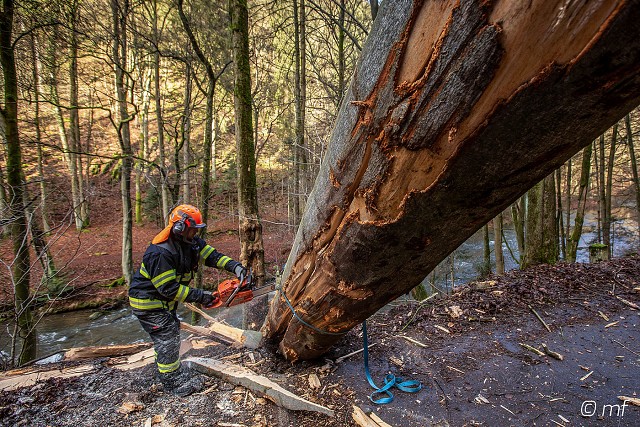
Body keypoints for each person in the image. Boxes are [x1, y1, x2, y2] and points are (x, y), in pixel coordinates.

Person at [129, 204, 247, 397]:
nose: (195, 233)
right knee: (168, 335)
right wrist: (201, 296)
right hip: (147, 301)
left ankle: (168, 371)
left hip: (162, 302)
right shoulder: (160, 252)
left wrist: (236, 267)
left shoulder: (192, 243)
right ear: (179, 227)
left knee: (169, 332)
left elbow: (213, 257)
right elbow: (168, 288)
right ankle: (172, 381)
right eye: (192, 229)